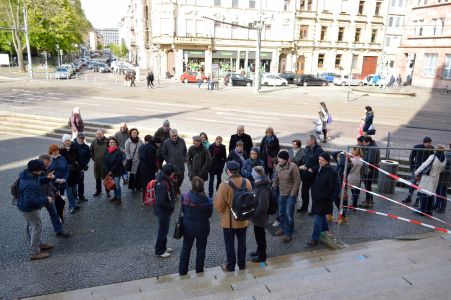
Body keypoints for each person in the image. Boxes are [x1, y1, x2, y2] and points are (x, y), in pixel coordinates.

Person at [214, 161, 252, 272]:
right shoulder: (247, 182)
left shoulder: (224, 185)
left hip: (229, 221)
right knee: (242, 242)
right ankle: (242, 264)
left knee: (229, 244)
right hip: (243, 219)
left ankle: (230, 266)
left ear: (228, 171)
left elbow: (219, 206)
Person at [18, 159, 54, 260]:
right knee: (36, 228)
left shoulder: (28, 175)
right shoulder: (29, 184)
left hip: (25, 207)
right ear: (35, 170)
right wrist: (46, 199)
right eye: (40, 170)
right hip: (30, 209)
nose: (42, 171)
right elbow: (30, 201)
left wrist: (47, 178)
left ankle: (39, 244)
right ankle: (35, 252)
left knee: (33, 227)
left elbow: (38, 180)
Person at [179, 177, 213, 275]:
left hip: (187, 227)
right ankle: (199, 270)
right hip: (202, 227)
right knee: (201, 249)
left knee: (186, 248)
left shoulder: (185, 196)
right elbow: (209, 215)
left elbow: (183, 210)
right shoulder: (208, 201)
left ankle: (182, 270)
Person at [307, 153, 339, 246]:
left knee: (317, 217)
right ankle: (325, 230)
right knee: (321, 216)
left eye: (322, 160)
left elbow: (334, 187)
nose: (320, 161)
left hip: (324, 199)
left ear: (327, 161)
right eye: (319, 159)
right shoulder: (321, 167)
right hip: (318, 197)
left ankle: (314, 238)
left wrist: (327, 197)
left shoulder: (331, 172)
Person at [38, 155, 71, 238]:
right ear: (40, 163)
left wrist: (55, 190)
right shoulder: (36, 171)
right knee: (34, 217)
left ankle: (59, 231)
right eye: (46, 164)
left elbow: (50, 182)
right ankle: (30, 231)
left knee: (54, 214)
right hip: (39, 197)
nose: (48, 166)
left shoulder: (48, 169)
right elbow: (37, 183)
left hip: (49, 196)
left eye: (49, 163)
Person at [273, 150, 301, 243]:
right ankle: (283, 228)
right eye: (279, 158)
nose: (279, 160)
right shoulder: (277, 166)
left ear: (286, 160)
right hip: (282, 193)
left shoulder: (293, 167)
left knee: (289, 214)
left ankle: (288, 233)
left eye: (281, 159)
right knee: (281, 213)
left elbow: (297, 182)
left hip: (290, 195)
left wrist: (292, 194)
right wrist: (273, 186)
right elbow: (276, 178)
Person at [414, 145, 447, 215]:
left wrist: (416, 172)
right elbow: (442, 169)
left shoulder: (433, 156)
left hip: (428, 177)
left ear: (436, 149)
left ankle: (422, 211)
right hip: (436, 178)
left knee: (424, 193)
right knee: (431, 195)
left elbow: (424, 165)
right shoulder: (444, 159)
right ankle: (429, 211)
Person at [403, 137, 434, 206]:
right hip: (416, 169)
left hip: (425, 170)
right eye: (428, 143)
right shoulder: (417, 147)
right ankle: (409, 197)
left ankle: (417, 200)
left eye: (430, 143)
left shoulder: (432, 148)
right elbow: (411, 157)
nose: (430, 144)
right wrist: (412, 167)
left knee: (421, 186)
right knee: (413, 183)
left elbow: (432, 160)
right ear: (424, 143)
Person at [154, 164, 177, 258]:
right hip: (163, 211)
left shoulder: (164, 180)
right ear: (169, 173)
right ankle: (159, 251)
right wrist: (170, 206)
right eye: (172, 173)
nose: (173, 175)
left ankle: (163, 247)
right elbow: (160, 201)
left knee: (165, 229)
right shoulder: (163, 184)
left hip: (165, 210)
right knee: (162, 230)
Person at [56, 135, 81, 214]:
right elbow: (59, 162)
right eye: (66, 141)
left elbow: (79, 159)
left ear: (70, 141)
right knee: (69, 191)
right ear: (63, 141)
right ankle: (72, 206)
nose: (67, 142)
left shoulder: (75, 148)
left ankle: (74, 202)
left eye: (68, 140)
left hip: (75, 173)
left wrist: (80, 168)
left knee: (74, 190)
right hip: (66, 174)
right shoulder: (60, 151)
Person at [298, 135, 324, 213]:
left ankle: (313, 210)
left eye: (308, 140)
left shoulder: (319, 150)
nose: (306, 141)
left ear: (313, 141)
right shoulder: (306, 149)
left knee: (314, 194)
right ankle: (304, 207)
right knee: (304, 193)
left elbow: (322, 163)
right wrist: (302, 166)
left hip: (314, 176)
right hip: (305, 175)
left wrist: (313, 169)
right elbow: (304, 160)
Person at [249, 166, 270, 263]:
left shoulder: (263, 188)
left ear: (256, 175)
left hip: (260, 217)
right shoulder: (259, 184)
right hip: (257, 216)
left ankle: (262, 256)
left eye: (253, 173)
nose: (251, 174)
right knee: (258, 235)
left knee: (260, 236)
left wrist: (253, 214)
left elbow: (263, 206)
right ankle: (259, 251)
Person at [162, 129, 187, 194]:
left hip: (180, 164)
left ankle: (177, 187)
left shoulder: (182, 141)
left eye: (175, 135)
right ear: (170, 136)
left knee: (181, 178)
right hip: (171, 165)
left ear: (177, 134)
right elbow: (164, 153)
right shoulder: (166, 142)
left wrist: (184, 158)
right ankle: (173, 191)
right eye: (172, 136)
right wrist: (168, 161)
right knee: (172, 179)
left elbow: (185, 150)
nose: (174, 137)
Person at [359, 136, 380, 208]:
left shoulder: (372, 148)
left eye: (364, 143)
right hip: (369, 169)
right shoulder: (372, 146)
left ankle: (367, 202)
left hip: (369, 170)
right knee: (368, 185)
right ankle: (370, 199)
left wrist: (368, 170)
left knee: (367, 185)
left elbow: (371, 161)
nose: (363, 144)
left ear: (368, 142)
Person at [136, 135, 158, 200]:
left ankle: (145, 199)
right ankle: (149, 198)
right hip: (149, 169)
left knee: (145, 185)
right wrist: (155, 168)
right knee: (150, 184)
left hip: (141, 167)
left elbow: (140, 156)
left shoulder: (142, 146)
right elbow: (152, 161)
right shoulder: (152, 148)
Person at [103, 137, 125, 204]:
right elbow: (104, 161)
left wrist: (111, 171)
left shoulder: (119, 151)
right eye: (110, 142)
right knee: (114, 184)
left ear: (116, 143)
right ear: (108, 143)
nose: (112, 143)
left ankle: (119, 198)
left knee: (117, 184)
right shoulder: (107, 150)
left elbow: (118, 163)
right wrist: (107, 170)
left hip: (117, 171)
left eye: (113, 142)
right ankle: (115, 196)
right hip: (109, 171)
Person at [90, 129, 109, 197]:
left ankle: (108, 191)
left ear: (103, 134)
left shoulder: (107, 141)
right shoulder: (93, 142)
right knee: (97, 178)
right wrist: (94, 158)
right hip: (97, 163)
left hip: (106, 164)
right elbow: (91, 151)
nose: (99, 135)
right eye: (98, 134)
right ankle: (98, 190)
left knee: (106, 178)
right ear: (96, 135)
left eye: (100, 134)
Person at [73, 133, 91, 202]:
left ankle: (81, 195)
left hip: (81, 167)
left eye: (82, 138)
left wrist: (85, 164)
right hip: (74, 167)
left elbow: (88, 157)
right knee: (74, 183)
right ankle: (75, 197)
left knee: (81, 182)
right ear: (77, 138)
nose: (81, 140)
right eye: (79, 138)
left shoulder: (86, 147)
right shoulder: (73, 145)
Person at [288, 140, 305, 212]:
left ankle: (294, 197)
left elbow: (303, 163)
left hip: (298, 171)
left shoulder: (302, 153)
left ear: (298, 145)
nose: (293, 145)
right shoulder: (290, 151)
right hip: (289, 171)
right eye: (293, 144)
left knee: (296, 185)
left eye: (295, 144)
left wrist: (297, 167)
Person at [435, 144, 451, 213]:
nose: (446, 147)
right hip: (443, 175)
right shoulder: (447, 154)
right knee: (439, 190)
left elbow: (444, 164)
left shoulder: (449, 154)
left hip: (445, 175)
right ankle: (438, 205)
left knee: (442, 191)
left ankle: (442, 208)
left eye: (447, 146)